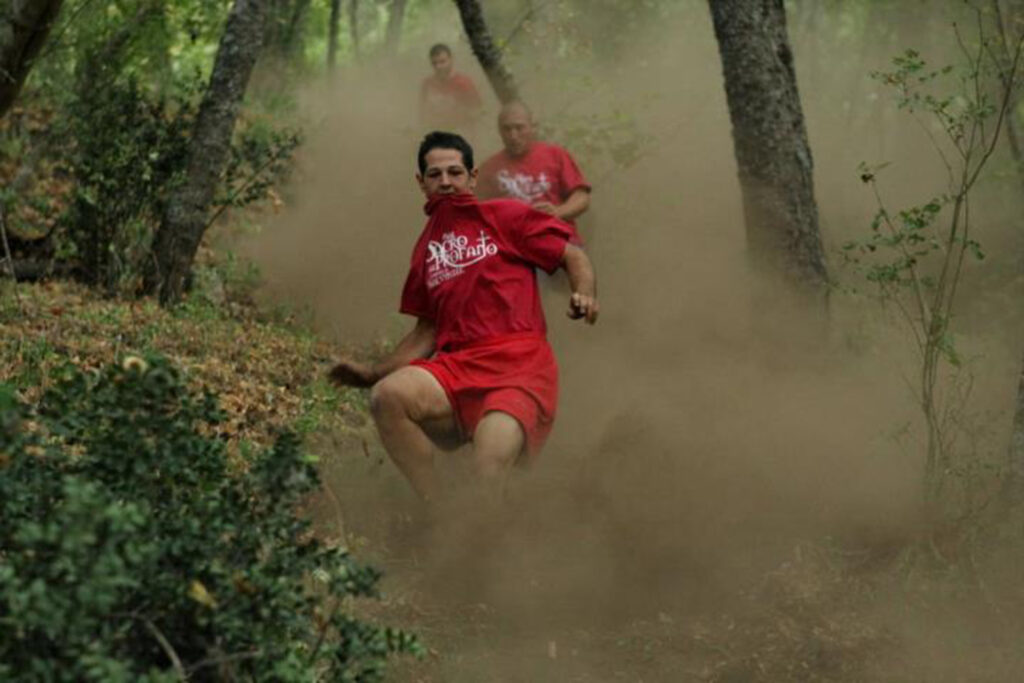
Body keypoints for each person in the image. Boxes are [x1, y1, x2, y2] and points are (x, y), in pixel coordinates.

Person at [328, 131, 598, 503]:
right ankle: (437, 513)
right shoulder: (426, 250)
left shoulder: (505, 215)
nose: (446, 182)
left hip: (519, 369)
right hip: (457, 367)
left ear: (472, 177)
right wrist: (372, 373)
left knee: (487, 468)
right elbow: (427, 332)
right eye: (435, 175)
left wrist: (584, 292)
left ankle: (484, 545)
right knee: (387, 396)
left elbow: (572, 256)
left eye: (455, 172)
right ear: (421, 184)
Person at [477, 101, 591, 223]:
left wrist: (558, 212)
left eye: (519, 128)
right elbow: (478, 216)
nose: (513, 135)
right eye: (507, 129)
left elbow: (581, 196)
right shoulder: (488, 170)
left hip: (560, 236)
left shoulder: (555, 155)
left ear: (533, 127)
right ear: (500, 131)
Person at [419, 44, 483, 134]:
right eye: (434, 63)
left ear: (451, 59)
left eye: (442, 62)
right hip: (435, 134)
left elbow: (477, 111)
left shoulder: (464, 83)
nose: (438, 67)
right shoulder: (427, 84)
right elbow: (422, 112)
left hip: (461, 134)